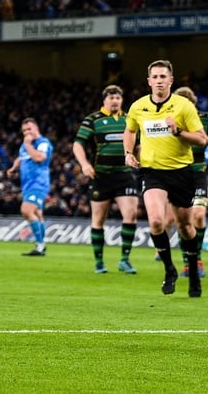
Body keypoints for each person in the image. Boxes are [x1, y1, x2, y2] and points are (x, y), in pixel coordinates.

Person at [124, 59, 206, 297]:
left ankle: (191, 271)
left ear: (171, 80)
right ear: (149, 81)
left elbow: (201, 139)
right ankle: (169, 270)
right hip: (152, 172)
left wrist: (178, 131)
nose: (159, 81)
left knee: (185, 227)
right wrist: (128, 153)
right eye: (155, 77)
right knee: (157, 222)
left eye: (163, 77)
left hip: (181, 171)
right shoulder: (138, 107)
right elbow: (130, 131)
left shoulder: (183, 106)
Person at [72, 85, 139, 274]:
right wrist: (84, 164)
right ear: (104, 100)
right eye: (111, 98)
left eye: (118, 98)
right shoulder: (93, 120)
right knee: (98, 219)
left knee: (131, 214)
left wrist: (141, 160)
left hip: (124, 175)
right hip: (100, 176)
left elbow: (140, 145)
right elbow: (78, 144)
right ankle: (99, 262)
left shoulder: (129, 120)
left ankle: (125, 259)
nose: (115, 101)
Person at [173, 86, 208, 279]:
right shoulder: (169, 121)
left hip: (197, 175)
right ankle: (188, 263)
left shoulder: (207, 119)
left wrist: (205, 139)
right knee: (182, 222)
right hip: (175, 174)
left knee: (198, 216)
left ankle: (197, 259)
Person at [6, 118, 54, 256]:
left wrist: (27, 144)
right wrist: (13, 168)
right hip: (27, 184)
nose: (27, 132)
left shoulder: (42, 143)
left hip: (38, 183)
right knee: (37, 214)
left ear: (36, 128)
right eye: (24, 130)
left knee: (26, 210)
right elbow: (21, 158)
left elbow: (39, 158)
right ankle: (41, 245)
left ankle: (40, 246)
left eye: (29, 129)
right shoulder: (25, 146)